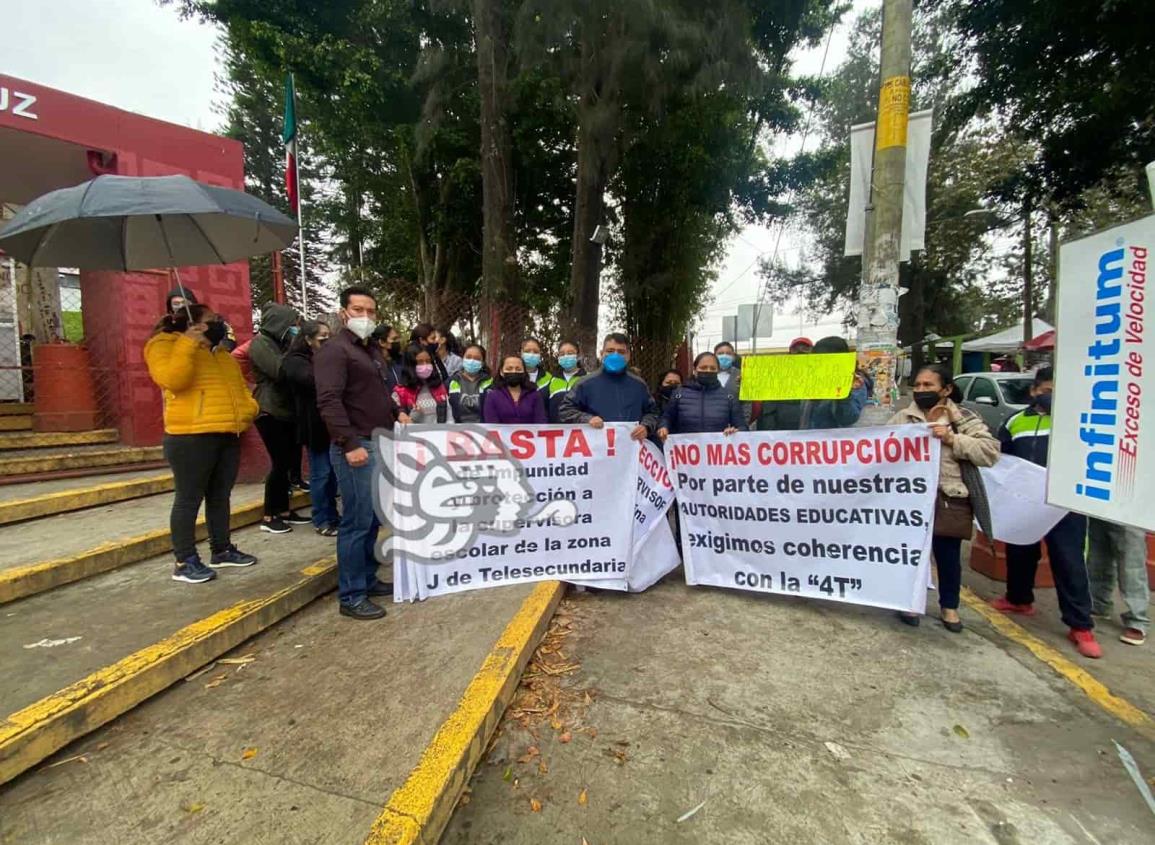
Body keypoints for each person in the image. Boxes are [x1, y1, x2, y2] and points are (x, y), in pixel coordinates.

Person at [144, 303, 259, 584]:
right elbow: (173, 380)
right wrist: (187, 343)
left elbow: (240, 389)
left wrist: (248, 411)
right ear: (193, 323)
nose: (219, 324)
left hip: (227, 433)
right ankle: (185, 561)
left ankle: (221, 549)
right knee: (188, 499)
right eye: (212, 320)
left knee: (220, 496)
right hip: (190, 437)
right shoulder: (163, 345)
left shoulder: (221, 355)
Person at [992, 367, 1102, 657]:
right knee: (1020, 551)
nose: (1053, 396)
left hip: (1065, 505)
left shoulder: (1076, 421)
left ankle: (1080, 625)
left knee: (1069, 560)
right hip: (1025, 502)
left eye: (1059, 391)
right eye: (1048, 390)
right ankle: (1018, 599)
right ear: (1034, 391)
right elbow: (1002, 458)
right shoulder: (1015, 421)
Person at [890, 363, 1000, 632]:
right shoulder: (904, 418)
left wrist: (952, 439)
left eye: (928, 385)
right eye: (917, 385)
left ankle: (949, 606)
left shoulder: (964, 419)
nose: (921, 390)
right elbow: (880, 448)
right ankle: (911, 601)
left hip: (949, 498)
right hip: (910, 499)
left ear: (946, 389)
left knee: (948, 557)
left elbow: (990, 452)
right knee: (910, 555)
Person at [315, 286, 396, 620]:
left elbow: (375, 394)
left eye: (371, 311)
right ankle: (351, 595)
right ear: (343, 313)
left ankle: (366, 577)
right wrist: (348, 444)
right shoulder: (334, 351)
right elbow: (329, 400)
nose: (365, 317)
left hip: (378, 442)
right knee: (357, 521)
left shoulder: (370, 351)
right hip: (356, 446)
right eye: (358, 310)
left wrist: (396, 413)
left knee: (374, 517)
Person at [248, 302, 310, 534]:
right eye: (292, 323)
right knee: (279, 462)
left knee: (290, 461)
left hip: (287, 411)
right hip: (269, 410)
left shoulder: (279, 343)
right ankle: (269, 514)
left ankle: (284, 510)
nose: (295, 327)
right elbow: (280, 371)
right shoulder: (261, 343)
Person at [282, 320, 339, 537]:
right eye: (321, 336)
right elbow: (314, 382)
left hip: (330, 424)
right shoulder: (296, 361)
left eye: (328, 335)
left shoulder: (323, 358)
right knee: (321, 474)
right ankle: (322, 518)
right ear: (307, 339)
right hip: (314, 426)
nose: (326, 339)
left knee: (332, 475)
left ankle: (332, 516)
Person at [559, 332, 659, 442]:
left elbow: (653, 412)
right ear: (602, 354)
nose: (615, 355)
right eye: (610, 351)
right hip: (598, 451)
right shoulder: (585, 383)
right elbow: (565, 410)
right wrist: (587, 419)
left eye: (621, 352)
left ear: (628, 355)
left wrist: (646, 426)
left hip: (630, 451)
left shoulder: (639, 385)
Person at [1089, 518, 1150, 646]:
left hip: (1132, 508)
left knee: (1131, 563)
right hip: (1100, 505)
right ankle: (1098, 604)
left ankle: (1137, 620)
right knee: (1097, 556)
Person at [657, 353, 744, 438]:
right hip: (686, 450)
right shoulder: (679, 394)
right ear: (694, 370)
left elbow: (742, 426)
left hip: (717, 450)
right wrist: (663, 428)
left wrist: (735, 432)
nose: (708, 370)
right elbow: (667, 418)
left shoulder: (729, 396)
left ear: (718, 371)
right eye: (703, 367)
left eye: (712, 368)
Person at [801, 336, 871, 429]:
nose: (817, 363)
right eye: (816, 359)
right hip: (808, 440)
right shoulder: (815, 379)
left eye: (822, 359)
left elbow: (848, 418)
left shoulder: (854, 382)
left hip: (832, 441)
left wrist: (842, 394)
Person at [755, 337, 812, 431]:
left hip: (813, 431)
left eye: (805, 349)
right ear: (790, 353)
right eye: (796, 349)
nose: (800, 352)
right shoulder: (777, 376)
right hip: (783, 432)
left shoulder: (822, 376)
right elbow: (769, 408)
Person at [393, 344, 450, 424]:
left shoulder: (439, 386)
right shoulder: (400, 392)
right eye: (420, 362)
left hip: (439, 434)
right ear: (411, 365)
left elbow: (448, 413)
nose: (425, 365)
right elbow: (399, 422)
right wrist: (414, 416)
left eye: (428, 361)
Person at [482, 354, 548, 424]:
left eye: (518, 369)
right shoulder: (492, 396)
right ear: (501, 372)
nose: (514, 371)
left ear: (524, 372)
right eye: (509, 369)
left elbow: (540, 422)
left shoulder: (534, 394)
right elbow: (491, 425)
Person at [448, 343, 492, 424]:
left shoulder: (491, 383)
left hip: (483, 429)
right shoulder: (451, 381)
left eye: (477, 358)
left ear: (482, 362)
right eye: (468, 357)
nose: (472, 361)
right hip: (457, 430)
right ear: (462, 358)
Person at [546, 340, 586, 422]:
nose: (566, 356)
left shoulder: (587, 378)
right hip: (557, 432)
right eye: (562, 354)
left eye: (570, 353)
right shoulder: (552, 380)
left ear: (578, 356)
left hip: (581, 431)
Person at [371, 324, 404, 389]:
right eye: (394, 339)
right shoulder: (372, 365)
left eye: (398, 338)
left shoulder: (398, 361)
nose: (398, 342)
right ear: (382, 342)